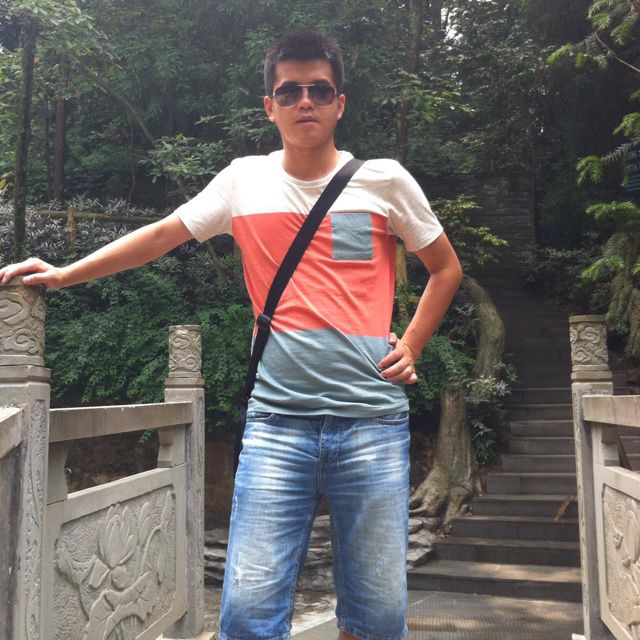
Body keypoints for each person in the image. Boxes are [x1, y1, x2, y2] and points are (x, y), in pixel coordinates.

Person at [0, 30, 462, 640]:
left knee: (376, 618)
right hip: (279, 423)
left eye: (319, 90)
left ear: (339, 103)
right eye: (289, 91)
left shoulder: (384, 181)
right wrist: (64, 274)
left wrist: (413, 344)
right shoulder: (244, 181)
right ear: (270, 106)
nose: (305, 101)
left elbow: (445, 268)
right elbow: (161, 235)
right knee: (247, 616)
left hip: (371, 421)